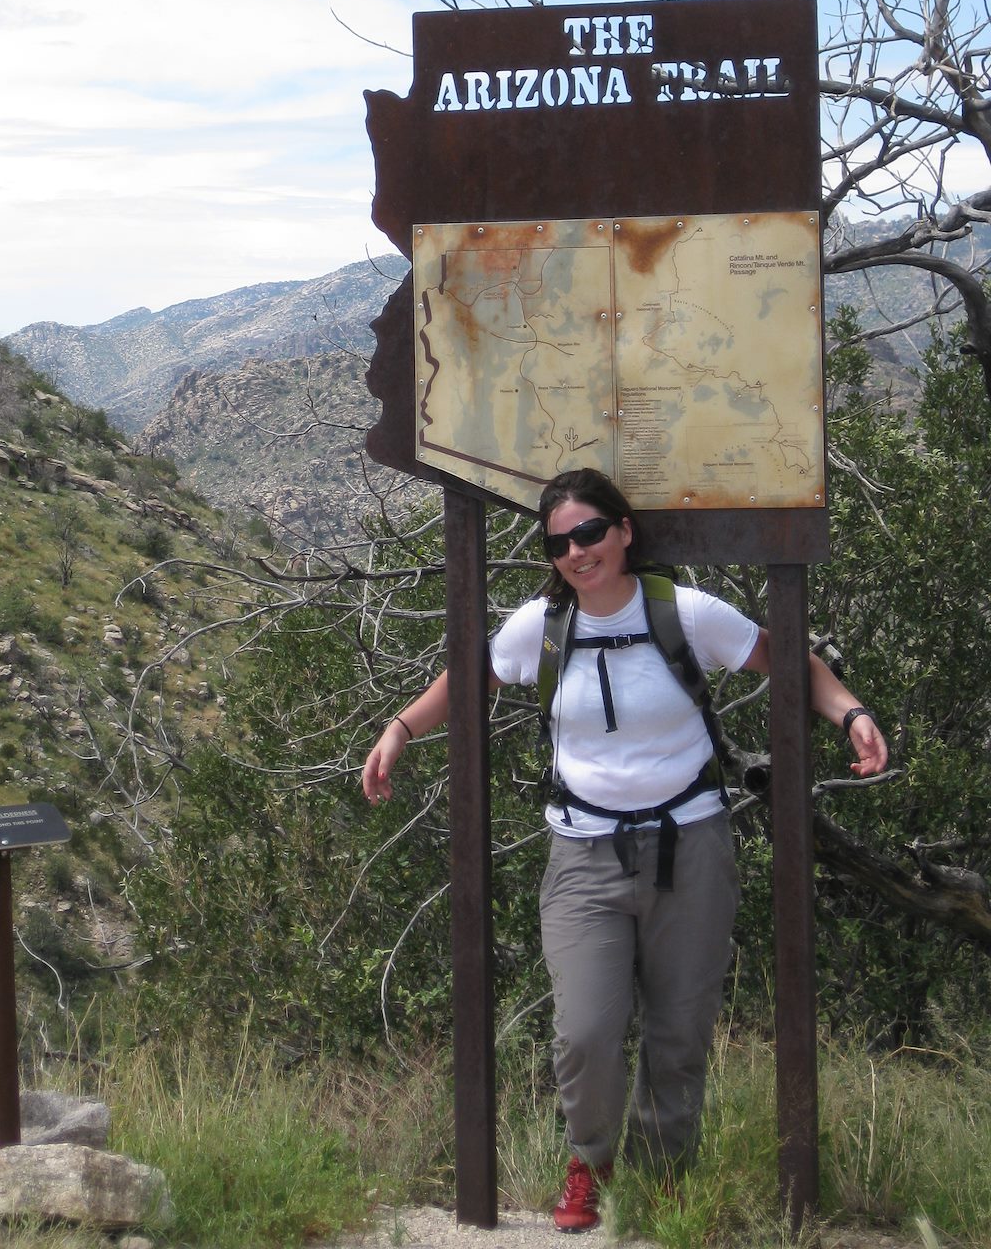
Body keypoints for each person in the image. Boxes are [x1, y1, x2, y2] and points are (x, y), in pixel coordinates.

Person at [362, 467, 888, 1232]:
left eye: (590, 532)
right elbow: (467, 678)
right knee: (585, 1032)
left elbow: (782, 656)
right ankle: (591, 1158)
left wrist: (851, 712)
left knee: (679, 1031)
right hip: (584, 854)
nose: (578, 551)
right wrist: (400, 729)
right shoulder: (539, 631)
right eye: (559, 542)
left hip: (690, 843)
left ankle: (665, 1182)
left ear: (624, 531)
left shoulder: (683, 613)